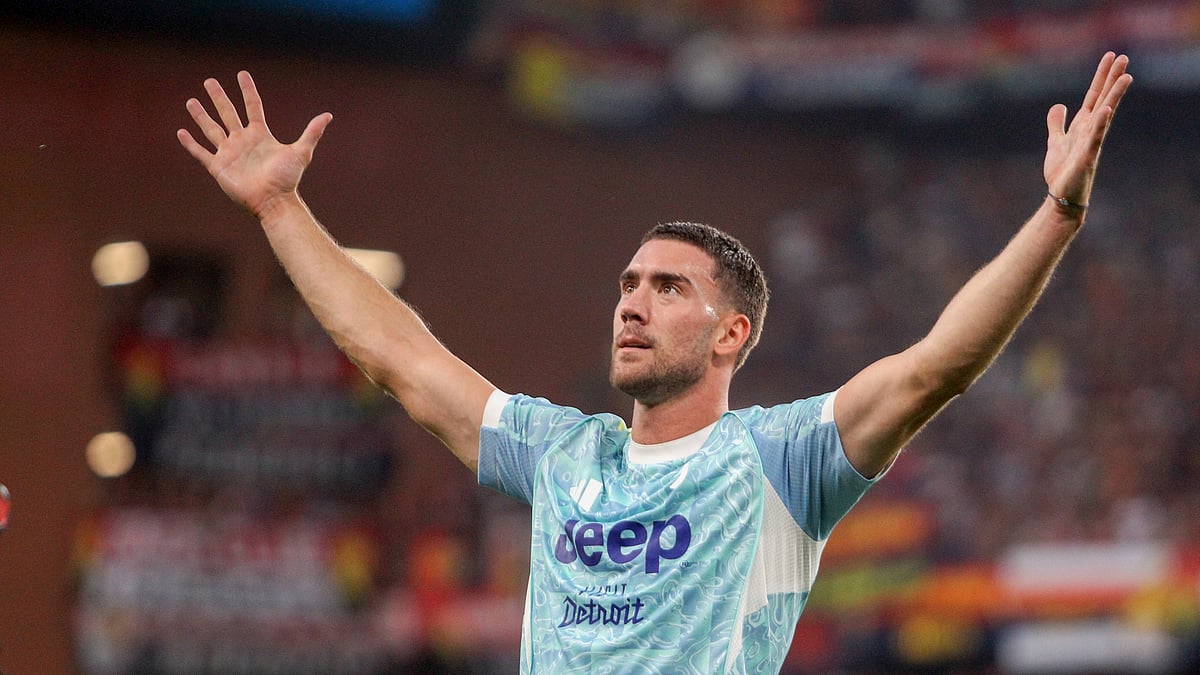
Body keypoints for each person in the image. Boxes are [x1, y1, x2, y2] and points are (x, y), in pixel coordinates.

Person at [178, 52, 1131, 673]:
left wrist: (1056, 215)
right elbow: (401, 359)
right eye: (630, 282)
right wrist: (279, 211)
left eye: (669, 287)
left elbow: (934, 369)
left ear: (732, 335)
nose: (632, 299)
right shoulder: (562, 453)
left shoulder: (780, 461)